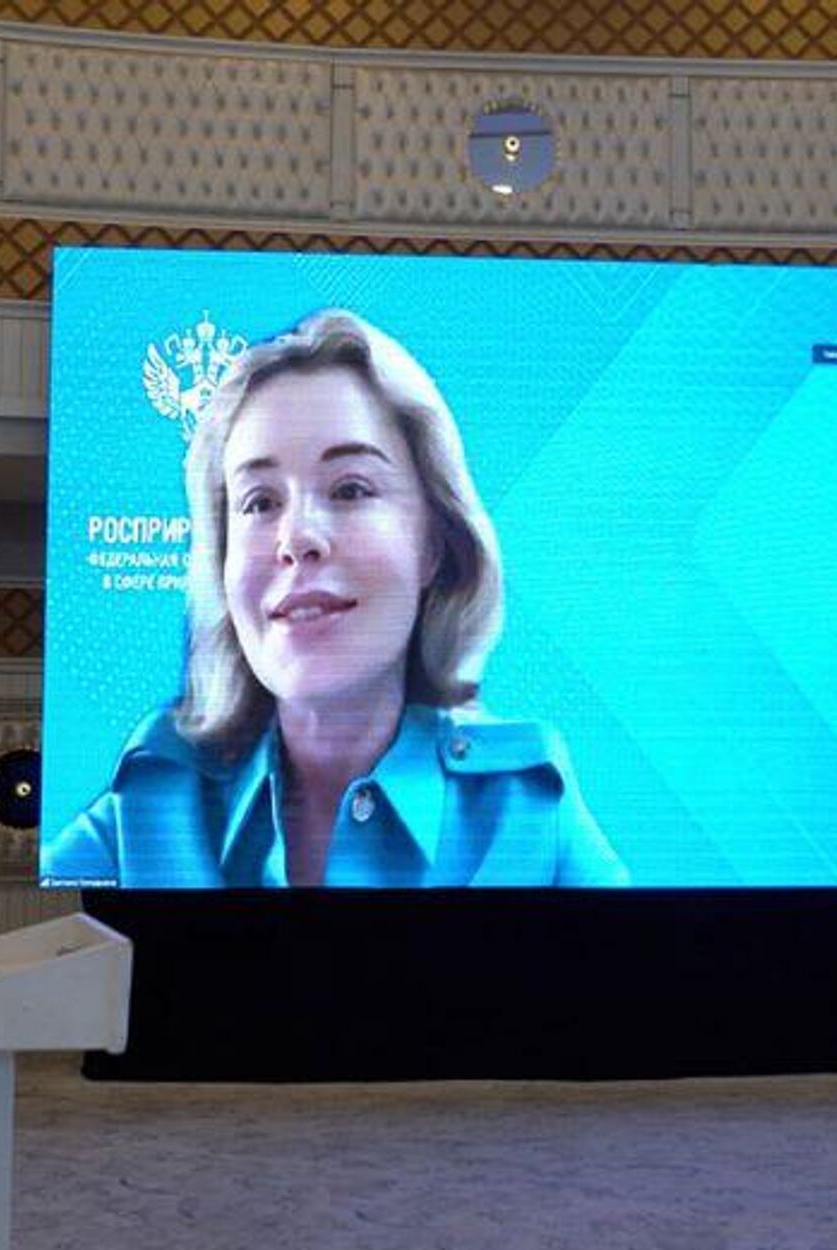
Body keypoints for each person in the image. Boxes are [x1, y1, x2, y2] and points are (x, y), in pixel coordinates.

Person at [46, 309, 626, 889]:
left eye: (350, 489)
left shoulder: (526, 807)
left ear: (434, 545)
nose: (296, 539)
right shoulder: (155, 797)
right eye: (259, 503)